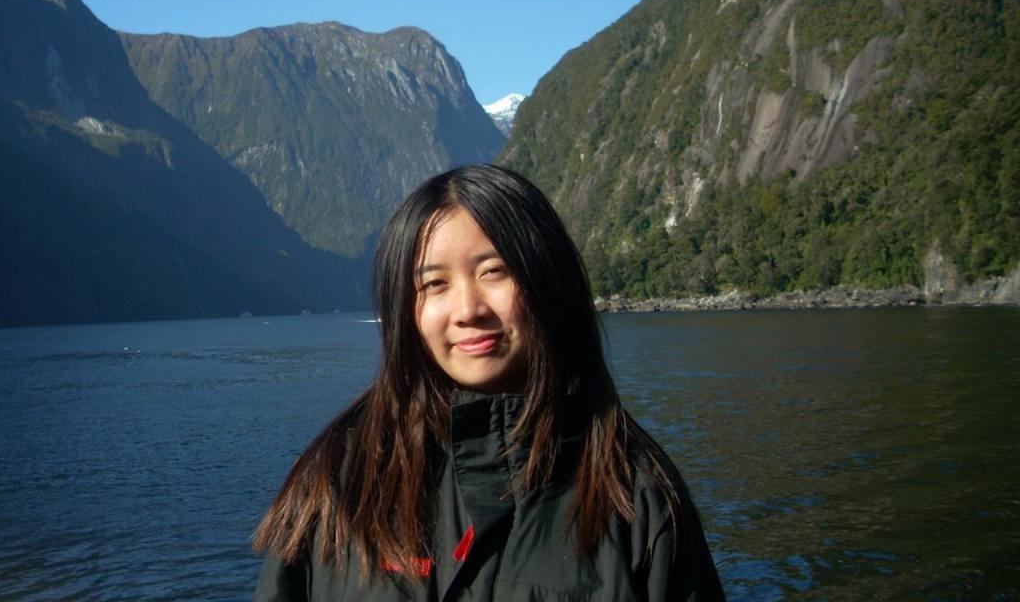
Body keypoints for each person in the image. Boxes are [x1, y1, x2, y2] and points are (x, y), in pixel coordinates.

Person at [253, 164, 725, 601]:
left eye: (494, 271)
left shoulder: (633, 494)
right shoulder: (337, 481)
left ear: (547, 279)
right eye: (434, 284)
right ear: (406, 310)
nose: (468, 310)